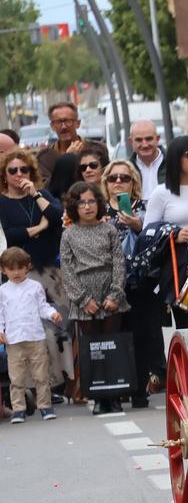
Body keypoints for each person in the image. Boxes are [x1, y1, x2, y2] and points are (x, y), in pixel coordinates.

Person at [0, 148, 69, 399]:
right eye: (13, 170)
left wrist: (36, 194)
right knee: (33, 332)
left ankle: (62, 383)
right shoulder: (2, 201)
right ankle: (39, 386)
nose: (19, 174)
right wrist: (38, 228)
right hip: (20, 276)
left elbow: (59, 216)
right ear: (4, 175)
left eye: (24, 169)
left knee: (59, 328)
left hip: (51, 271)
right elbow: (8, 235)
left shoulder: (41, 195)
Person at [59, 181, 130, 414]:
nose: (87, 206)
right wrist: (82, 299)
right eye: (81, 202)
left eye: (91, 201)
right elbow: (67, 270)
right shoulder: (69, 235)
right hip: (85, 296)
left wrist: (115, 294)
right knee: (93, 348)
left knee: (113, 345)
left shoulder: (109, 230)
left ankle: (116, 394)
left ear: (98, 203)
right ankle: (99, 397)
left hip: (109, 292)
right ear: (74, 207)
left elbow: (119, 262)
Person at [103, 160, 163, 405]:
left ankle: (140, 389)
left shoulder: (147, 207)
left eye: (124, 178)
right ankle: (117, 388)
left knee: (142, 335)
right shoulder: (98, 210)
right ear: (105, 183)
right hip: (109, 282)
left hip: (141, 280)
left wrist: (138, 224)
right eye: (113, 178)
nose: (118, 182)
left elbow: (157, 237)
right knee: (116, 335)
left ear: (134, 183)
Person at [145, 137, 188, 342]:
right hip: (181, 263)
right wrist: (174, 234)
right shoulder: (161, 193)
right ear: (175, 159)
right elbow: (148, 233)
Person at [0, 246, 63, 423]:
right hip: (13, 339)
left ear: (28, 267)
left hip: (35, 337)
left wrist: (52, 314)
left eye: (20, 268)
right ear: (3, 270)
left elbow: (42, 306)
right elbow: (1, 313)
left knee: (41, 375)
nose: (16, 272)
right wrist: (0, 331)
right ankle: (18, 409)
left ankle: (45, 406)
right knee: (16, 377)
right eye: (11, 269)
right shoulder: (3, 291)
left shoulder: (35, 287)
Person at [36, 101, 85, 181]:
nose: (63, 127)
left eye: (68, 121)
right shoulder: (45, 158)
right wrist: (67, 159)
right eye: (58, 122)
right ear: (52, 126)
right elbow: (48, 188)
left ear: (77, 123)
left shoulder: (95, 149)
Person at [128, 120, 165, 197]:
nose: (144, 145)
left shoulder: (174, 163)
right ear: (131, 142)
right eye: (139, 140)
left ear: (157, 139)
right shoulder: (126, 169)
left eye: (149, 139)